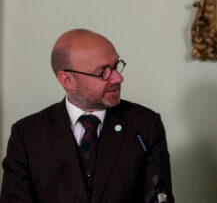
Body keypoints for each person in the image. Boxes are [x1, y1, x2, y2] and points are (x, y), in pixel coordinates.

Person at [1, 29, 174, 202]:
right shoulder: (27, 135)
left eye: (115, 66)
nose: (118, 78)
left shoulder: (145, 125)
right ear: (67, 80)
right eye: (103, 72)